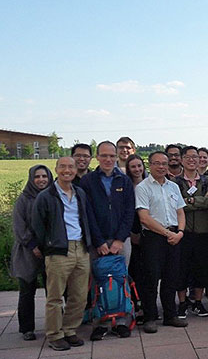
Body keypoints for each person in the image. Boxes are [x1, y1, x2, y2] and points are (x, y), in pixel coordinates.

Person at [32, 157, 92, 351]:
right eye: (63, 166)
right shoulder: (46, 196)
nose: (67, 170)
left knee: (79, 295)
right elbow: (38, 225)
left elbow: (86, 220)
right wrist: (48, 246)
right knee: (55, 297)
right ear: (56, 170)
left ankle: (69, 330)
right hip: (58, 251)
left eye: (71, 167)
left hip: (81, 248)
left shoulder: (80, 193)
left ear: (75, 170)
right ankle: (55, 334)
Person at [80, 141, 136, 340]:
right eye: (104, 156)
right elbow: (87, 215)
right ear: (97, 157)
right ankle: (100, 323)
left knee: (121, 280)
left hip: (121, 241)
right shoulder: (87, 182)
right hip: (98, 243)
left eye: (112, 156)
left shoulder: (124, 180)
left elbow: (130, 212)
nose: (108, 159)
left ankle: (122, 321)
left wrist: (120, 239)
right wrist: (99, 242)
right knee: (98, 283)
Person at [135, 151, 187, 333]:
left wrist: (180, 232)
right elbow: (144, 217)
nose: (161, 167)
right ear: (150, 165)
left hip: (174, 237)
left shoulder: (173, 187)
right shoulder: (143, 187)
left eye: (164, 163)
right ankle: (150, 317)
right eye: (157, 163)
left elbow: (180, 212)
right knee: (151, 278)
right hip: (154, 238)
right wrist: (167, 233)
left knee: (171, 277)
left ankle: (170, 315)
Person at [173, 146, 208, 319]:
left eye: (195, 157)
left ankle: (198, 303)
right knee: (181, 269)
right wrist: (198, 200)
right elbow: (176, 203)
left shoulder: (207, 181)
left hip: (203, 232)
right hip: (182, 232)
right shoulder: (175, 183)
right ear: (182, 160)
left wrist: (188, 201)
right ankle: (183, 303)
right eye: (188, 157)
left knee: (202, 268)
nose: (192, 160)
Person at [11, 165, 52, 341]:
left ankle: (54, 325)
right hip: (27, 252)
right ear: (31, 179)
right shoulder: (23, 200)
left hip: (49, 250)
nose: (41, 179)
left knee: (53, 290)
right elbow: (19, 226)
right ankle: (27, 328)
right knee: (27, 291)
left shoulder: (53, 197)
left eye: (44, 176)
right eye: (37, 176)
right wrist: (33, 244)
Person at [125, 154, 147, 324]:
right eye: (133, 166)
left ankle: (147, 306)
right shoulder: (125, 186)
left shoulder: (149, 184)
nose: (137, 169)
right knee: (134, 272)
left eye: (139, 165)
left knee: (147, 273)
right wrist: (132, 233)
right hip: (132, 234)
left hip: (150, 232)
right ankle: (135, 306)